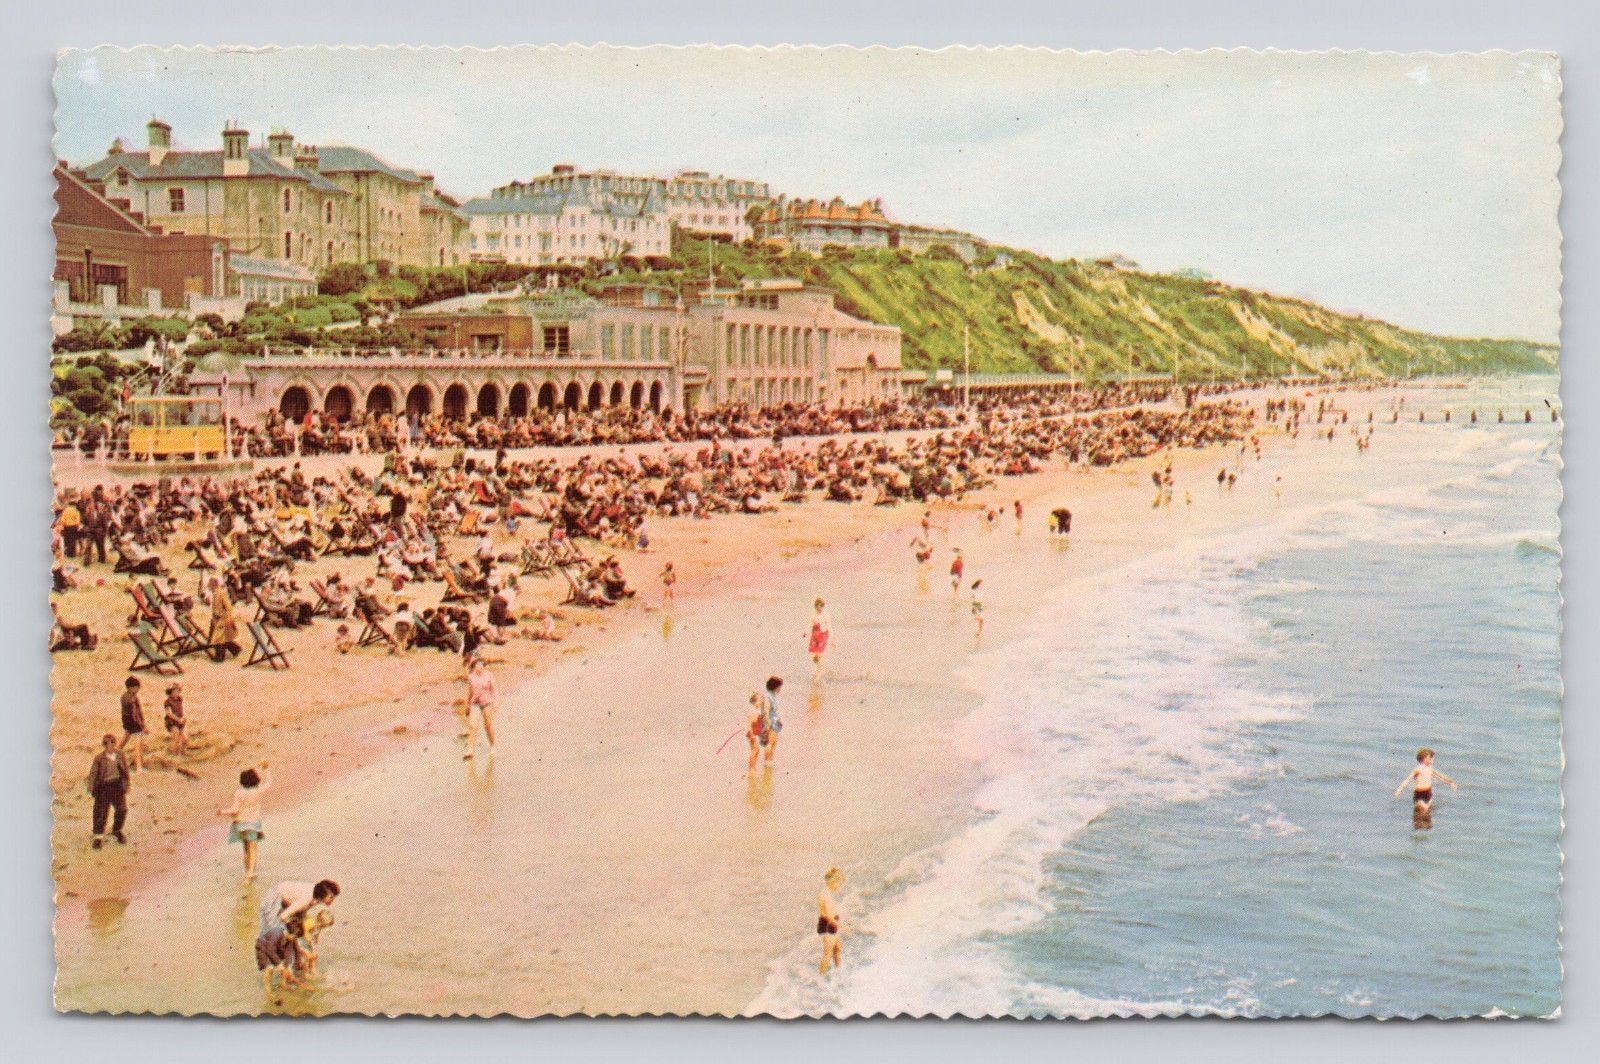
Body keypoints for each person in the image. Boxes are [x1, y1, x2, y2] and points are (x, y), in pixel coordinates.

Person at [217, 759, 273, 879]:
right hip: (253, 824)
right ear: (256, 780)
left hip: (240, 824)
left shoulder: (238, 793)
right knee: (253, 850)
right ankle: (250, 873)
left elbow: (235, 810)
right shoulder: (257, 792)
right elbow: (269, 783)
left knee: (246, 849)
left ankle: (247, 871)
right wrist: (266, 769)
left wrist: (222, 812)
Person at [86, 733, 130, 849]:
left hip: (117, 785)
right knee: (101, 812)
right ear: (104, 745)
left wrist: (126, 785)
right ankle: (98, 836)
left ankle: (117, 829)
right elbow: (93, 774)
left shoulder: (120, 755)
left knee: (122, 809)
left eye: (112, 743)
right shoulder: (99, 758)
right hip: (103, 787)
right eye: (107, 744)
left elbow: (125, 771)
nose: (110, 746)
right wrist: (91, 789)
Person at [260, 879, 340, 938]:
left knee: (299, 923)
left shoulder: (316, 896)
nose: (332, 900)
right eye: (331, 897)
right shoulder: (306, 899)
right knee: (276, 928)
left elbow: (303, 912)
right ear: (323, 894)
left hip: (285, 898)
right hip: (274, 897)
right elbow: (283, 916)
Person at [1393, 747, 1457, 814]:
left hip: (1428, 793)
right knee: (1425, 810)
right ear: (1423, 759)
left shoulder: (1430, 769)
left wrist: (1451, 782)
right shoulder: (1418, 769)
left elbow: (1442, 777)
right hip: (1419, 794)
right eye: (1430, 758)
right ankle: (1417, 818)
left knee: (1428, 813)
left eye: (1432, 758)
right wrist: (1398, 791)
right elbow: (1407, 780)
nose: (1432, 760)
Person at [464, 656, 498, 760]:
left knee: (488, 726)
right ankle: (469, 750)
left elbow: (494, 690)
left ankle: (492, 745)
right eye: (478, 665)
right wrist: (468, 705)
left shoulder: (489, 676)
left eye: (482, 665)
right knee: (473, 725)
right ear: (474, 666)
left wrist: (496, 703)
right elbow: (470, 691)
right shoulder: (471, 677)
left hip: (487, 702)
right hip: (475, 703)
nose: (480, 667)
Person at [817, 866, 845, 975]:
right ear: (833, 881)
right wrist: (842, 926)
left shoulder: (826, 892)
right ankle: (821, 974)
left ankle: (838, 971)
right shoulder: (824, 893)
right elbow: (826, 914)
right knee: (828, 953)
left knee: (837, 948)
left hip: (832, 923)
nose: (839, 887)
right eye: (839, 883)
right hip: (829, 924)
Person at [119, 676, 146, 772]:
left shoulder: (124, 697)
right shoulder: (133, 698)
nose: (138, 689)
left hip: (127, 721)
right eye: (137, 687)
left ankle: (112, 756)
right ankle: (138, 767)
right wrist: (142, 725)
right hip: (134, 722)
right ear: (132, 687)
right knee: (138, 745)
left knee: (124, 741)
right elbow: (136, 713)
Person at [759, 676, 784, 763]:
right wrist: (768, 724)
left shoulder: (773, 696)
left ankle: (770, 760)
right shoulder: (767, 697)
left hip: (776, 722)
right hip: (770, 722)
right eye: (779, 687)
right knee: (770, 742)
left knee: (774, 742)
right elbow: (766, 712)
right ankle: (767, 761)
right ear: (775, 687)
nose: (780, 689)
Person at [745, 692, 769, 773]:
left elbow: (761, 722)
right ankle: (751, 768)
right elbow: (749, 724)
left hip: (757, 732)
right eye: (760, 700)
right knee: (755, 750)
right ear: (755, 701)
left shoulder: (758, 710)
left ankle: (754, 765)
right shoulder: (752, 711)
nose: (761, 701)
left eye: (762, 700)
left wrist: (763, 730)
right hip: (752, 733)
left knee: (757, 750)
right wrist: (751, 735)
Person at [163, 683, 187, 756]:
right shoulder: (167, 702)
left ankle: (183, 753)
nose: (176, 693)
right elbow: (169, 713)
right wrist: (177, 719)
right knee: (175, 739)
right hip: (172, 722)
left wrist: (182, 718)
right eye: (174, 691)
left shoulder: (180, 699)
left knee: (185, 739)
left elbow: (181, 709)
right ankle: (174, 755)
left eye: (177, 691)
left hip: (180, 720)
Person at [807, 598, 831, 669]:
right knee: (814, 655)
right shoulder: (813, 615)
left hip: (823, 634)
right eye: (820, 606)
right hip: (815, 634)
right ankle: (818, 667)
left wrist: (832, 640)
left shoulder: (826, 614)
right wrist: (806, 632)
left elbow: (829, 626)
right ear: (816, 606)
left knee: (819, 654)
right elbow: (810, 625)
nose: (821, 608)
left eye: (823, 606)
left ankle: (819, 672)